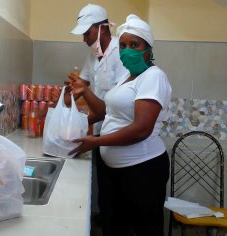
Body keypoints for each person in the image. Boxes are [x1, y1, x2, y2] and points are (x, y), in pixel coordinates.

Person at [68, 14, 172, 236]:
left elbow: (142, 129)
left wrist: (96, 142)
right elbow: (107, 112)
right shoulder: (128, 79)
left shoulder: (153, 76)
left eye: (134, 44)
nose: (126, 50)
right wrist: (83, 99)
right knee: (114, 227)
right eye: (123, 45)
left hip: (143, 169)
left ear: (148, 49)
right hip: (116, 172)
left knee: (145, 230)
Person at [65, 4, 129, 234]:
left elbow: (109, 106)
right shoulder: (93, 55)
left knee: (119, 203)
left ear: (103, 28)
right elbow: (82, 86)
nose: (84, 39)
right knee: (106, 197)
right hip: (102, 135)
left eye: (87, 33)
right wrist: (71, 95)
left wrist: (84, 93)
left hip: (122, 138)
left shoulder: (121, 54)